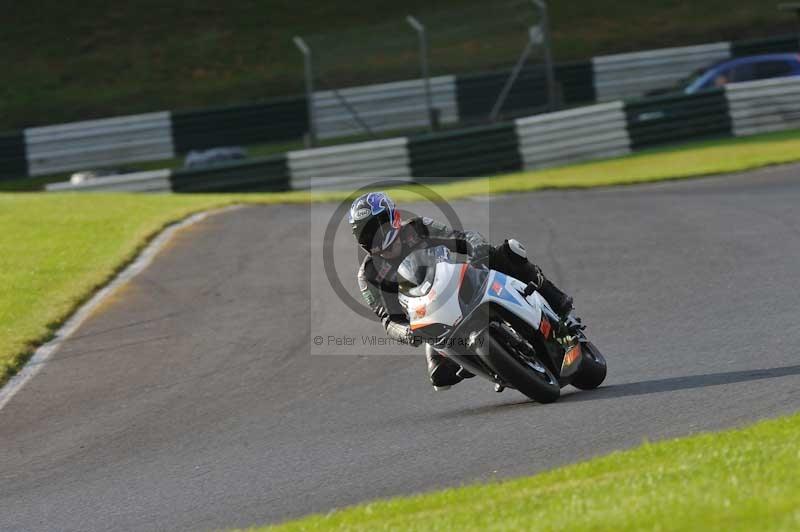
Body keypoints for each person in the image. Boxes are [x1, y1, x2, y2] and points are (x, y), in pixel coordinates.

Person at [349, 191, 574, 390]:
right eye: (367, 235)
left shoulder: (418, 228)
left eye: (378, 227)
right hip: (430, 316)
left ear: (393, 218)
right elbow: (389, 320)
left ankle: (557, 304)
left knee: (507, 252)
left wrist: (477, 249)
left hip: (459, 282)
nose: (376, 238)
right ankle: (495, 366)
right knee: (440, 377)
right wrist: (407, 332)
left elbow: (462, 238)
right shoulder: (368, 274)